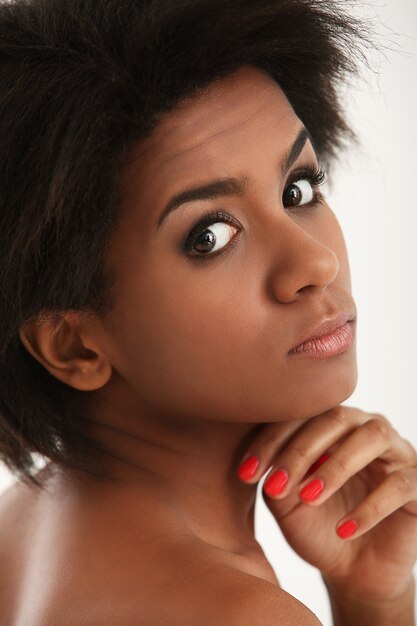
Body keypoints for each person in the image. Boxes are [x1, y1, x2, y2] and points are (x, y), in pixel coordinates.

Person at [0, 0, 416, 623]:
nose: (315, 265)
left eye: (298, 189)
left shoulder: (22, 529)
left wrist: (371, 595)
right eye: (211, 237)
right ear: (74, 346)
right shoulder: (238, 612)